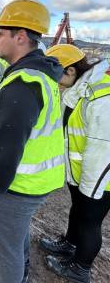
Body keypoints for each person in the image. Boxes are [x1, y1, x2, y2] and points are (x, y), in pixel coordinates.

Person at [0, 0, 65, 283]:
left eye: (0, 33)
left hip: (14, 187)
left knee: (5, 248)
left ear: (20, 37)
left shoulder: (23, 84)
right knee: (16, 236)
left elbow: (7, 146)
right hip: (30, 183)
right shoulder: (37, 75)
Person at [40, 44, 110, 283]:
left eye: (55, 74)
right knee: (78, 211)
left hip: (100, 178)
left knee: (90, 221)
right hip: (82, 173)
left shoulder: (103, 95)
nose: (55, 82)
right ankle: (70, 243)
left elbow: (103, 149)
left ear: (70, 70)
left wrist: (90, 189)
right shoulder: (81, 89)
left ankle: (81, 268)